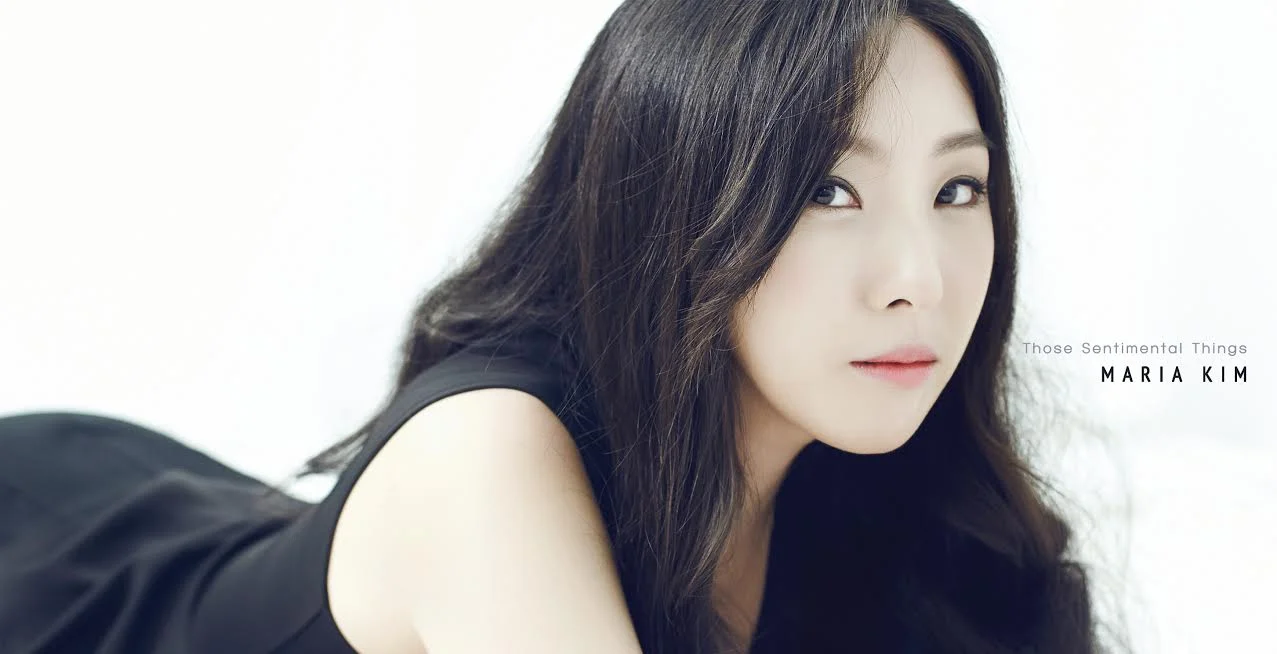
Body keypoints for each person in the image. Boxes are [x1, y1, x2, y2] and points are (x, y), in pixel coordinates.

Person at [0, 0, 1111, 652]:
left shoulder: (870, 489)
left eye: (957, 190)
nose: (918, 276)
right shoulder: (484, 457)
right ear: (676, 204)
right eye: (828, 190)